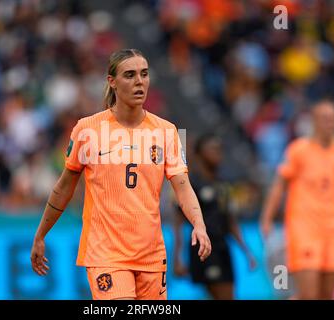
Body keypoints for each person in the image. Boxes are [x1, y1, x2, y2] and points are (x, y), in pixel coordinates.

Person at [30, 48, 212, 300]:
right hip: (107, 253)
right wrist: (40, 235)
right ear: (112, 82)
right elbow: (64, 186)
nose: (139, 81)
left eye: (144, 74)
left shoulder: (169, 132)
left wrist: (199, 225)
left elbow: (183, 186)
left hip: (151, 254)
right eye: (130, 75)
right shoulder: (87, 130)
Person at [260, 100, 334, 300]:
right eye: (325, 118)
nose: (330, 123)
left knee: (327, 295)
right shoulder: (298, 150)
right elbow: (279, 186)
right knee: (309, 294)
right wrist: (266, 218)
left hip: (333, 230)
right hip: (305, 229)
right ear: (314, 121)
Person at [173, 133, 257, 299]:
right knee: (224, 295)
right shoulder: (191, 184)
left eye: (219, 149)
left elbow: (230, 220)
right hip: (204, 248)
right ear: (199, 154)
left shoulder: (224, 185)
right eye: (212, 149)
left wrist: (246, 251)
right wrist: (177, 258)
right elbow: (178, 222)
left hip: (223, 248)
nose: (217, 153)